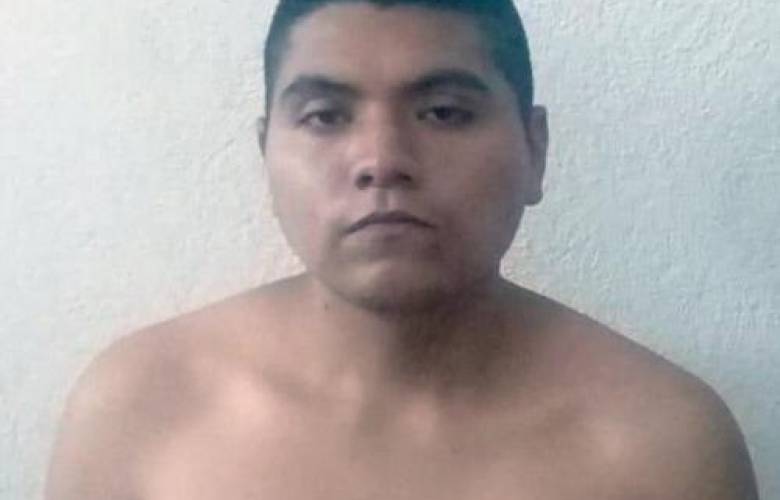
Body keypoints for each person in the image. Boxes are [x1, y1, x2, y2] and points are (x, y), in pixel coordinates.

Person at [45, 0, 760, 498]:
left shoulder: (662, 447)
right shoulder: (137, 408)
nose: (382, 159)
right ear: (266, 154)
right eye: (325, 116)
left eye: (443, 112)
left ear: (534, 149)